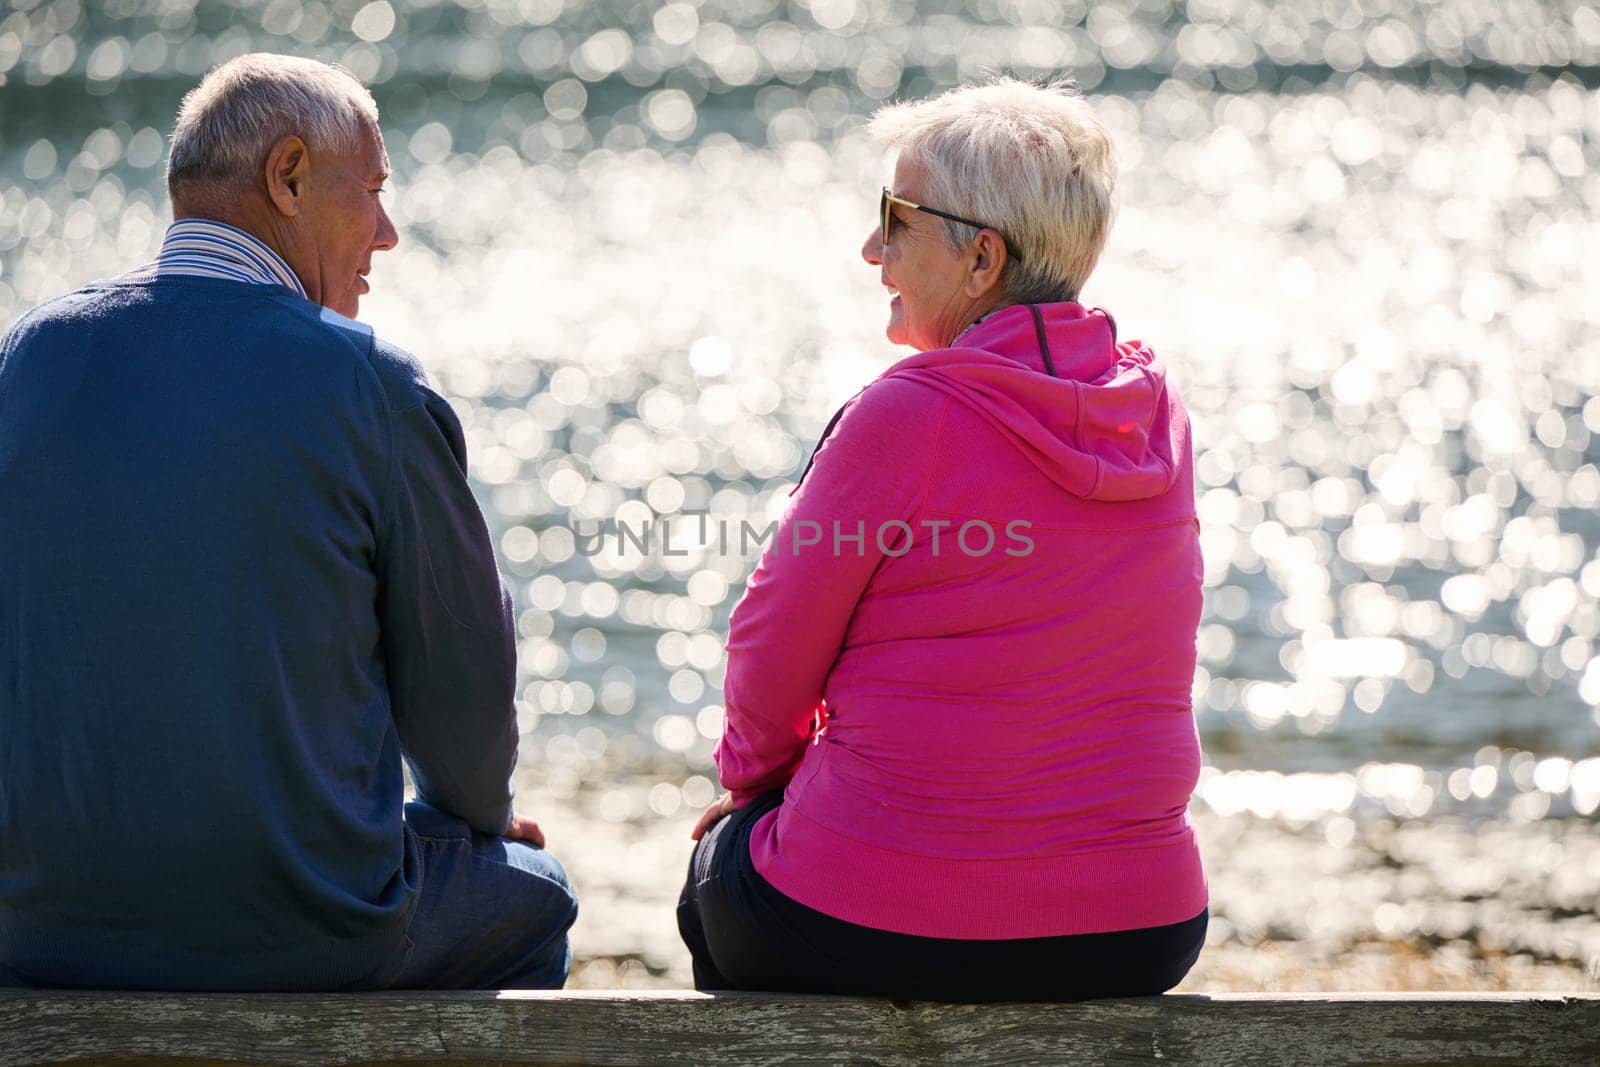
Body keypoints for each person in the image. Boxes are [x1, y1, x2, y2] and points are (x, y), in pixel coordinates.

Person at [0, 54, 576, 991]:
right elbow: (465, 709)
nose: (387, 233)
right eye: (374, 191)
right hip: (300, 928)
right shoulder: (370, 383)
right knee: (537, 890)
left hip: (34, 927)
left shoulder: (26, 358)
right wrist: (473, 814)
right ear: (290, 175)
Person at [677, 78, 1208, 1001]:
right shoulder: (1154, 414)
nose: (872, 247)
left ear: (981, 260)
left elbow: (772, 643)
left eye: (897, 217)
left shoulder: (909, 412)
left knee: (715, 883)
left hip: (880, 915)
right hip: (1142, 926)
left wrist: (755, 784)